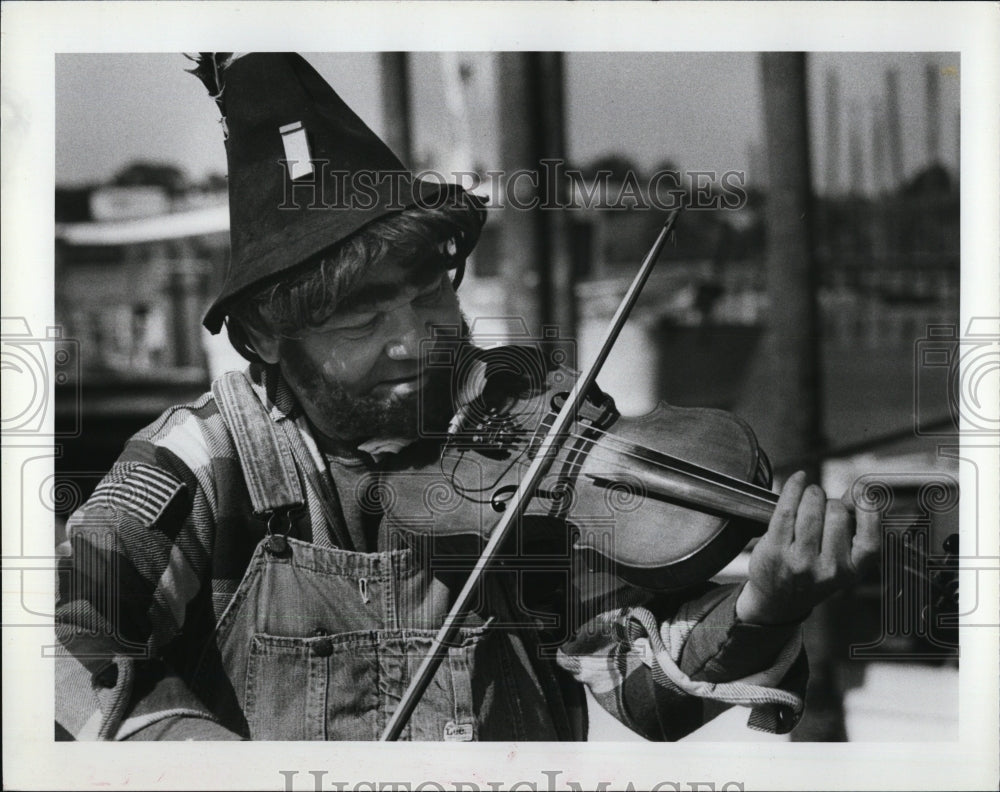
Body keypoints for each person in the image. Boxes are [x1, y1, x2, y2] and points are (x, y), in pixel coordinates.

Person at [54, 52, 880, 742]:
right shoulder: (203, 461)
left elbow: (644, 695)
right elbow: (62, 644)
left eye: (429, 294)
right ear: (265, 335)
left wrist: (764, 606)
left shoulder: (533, 442)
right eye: (362, 322)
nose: (416, 342)